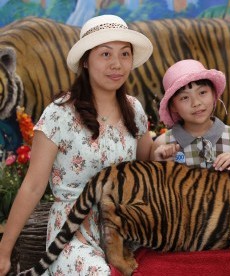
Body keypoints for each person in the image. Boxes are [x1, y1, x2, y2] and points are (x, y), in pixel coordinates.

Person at [0, 14, 154, 275]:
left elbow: (147, 164)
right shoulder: (59, 113)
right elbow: (33, 186)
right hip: (72, 231)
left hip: (124, 229)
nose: (117, 64)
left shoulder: (134, 110)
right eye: (105, 54)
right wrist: (4, 252)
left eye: (125, 54)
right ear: (85, 60)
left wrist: (172, 143)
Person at [151, 59, 230, 171]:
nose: (196, 103)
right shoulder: (162, 144)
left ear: (214, 94)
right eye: (184, 97)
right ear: (173, 106)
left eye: (202, 92)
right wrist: (158, 164)